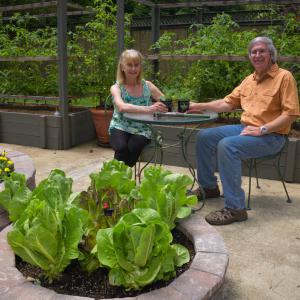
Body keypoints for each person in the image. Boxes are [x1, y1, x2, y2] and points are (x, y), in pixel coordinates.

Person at [188, 36, 299, 225]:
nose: (257, 55)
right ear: (250, 56)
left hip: (272, 136)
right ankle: (209, 188)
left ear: (271, 54)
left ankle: (235, 208)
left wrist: (263, 129)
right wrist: (198, 105)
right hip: (245, 129)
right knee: (204, 137)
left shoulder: (284, 77)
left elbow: (292, 114)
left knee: (228, 146)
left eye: (262, 51)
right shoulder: (249, 80)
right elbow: (227, 103)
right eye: (253, 52)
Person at [109, 49, 168, 167]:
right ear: (122, 67)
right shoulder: (116, 87)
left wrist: (191, 106)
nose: (133, 68)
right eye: (129, 65)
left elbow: (167, 102)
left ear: (140, 67)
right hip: (120, 125)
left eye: (136, 65)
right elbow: (122, 107)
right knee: (121, 148)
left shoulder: (148, 86)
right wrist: (150, 109)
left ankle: (118, 179)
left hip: (142, 128)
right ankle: (116, 180)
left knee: (132, 148)